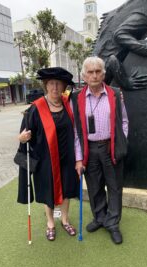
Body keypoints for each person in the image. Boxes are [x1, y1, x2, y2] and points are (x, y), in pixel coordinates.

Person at [16, 67, 79, 241]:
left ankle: (65, 220)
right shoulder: (35, 108)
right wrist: (22, 138)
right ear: (46, 85)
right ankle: (50, 222)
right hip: (46, 160)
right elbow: (24, 135)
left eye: (59, 84)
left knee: (67, 189)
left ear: (64, 86)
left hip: (67, 158)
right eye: (51, 83)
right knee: (47, 190)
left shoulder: (68, 104)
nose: (55, 88)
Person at [74, 56, 129, 244]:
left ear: (104, 74)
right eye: (90, 72)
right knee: (95, 187)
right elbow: (76, 131)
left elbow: (124, 121)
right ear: (84, 75)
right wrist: (79, 158)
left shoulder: (114, 94)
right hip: (90, 150)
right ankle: (99, 218)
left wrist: (121, 141)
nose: (95, 75)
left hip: (110, 148)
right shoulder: (77, 97)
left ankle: (112, 223)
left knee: (114, 188)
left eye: (98, 71)